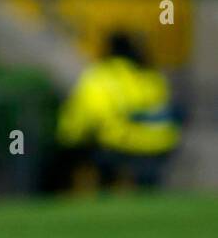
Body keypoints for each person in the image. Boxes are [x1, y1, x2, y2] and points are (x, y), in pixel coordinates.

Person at [56, 31, 178, 189]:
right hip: (161, 143)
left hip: (120, 145)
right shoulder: (152, 75)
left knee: (84, 153)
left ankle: (102, 191)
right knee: (147, 184)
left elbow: (88, 116)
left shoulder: (101, 75)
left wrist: (67, 137)